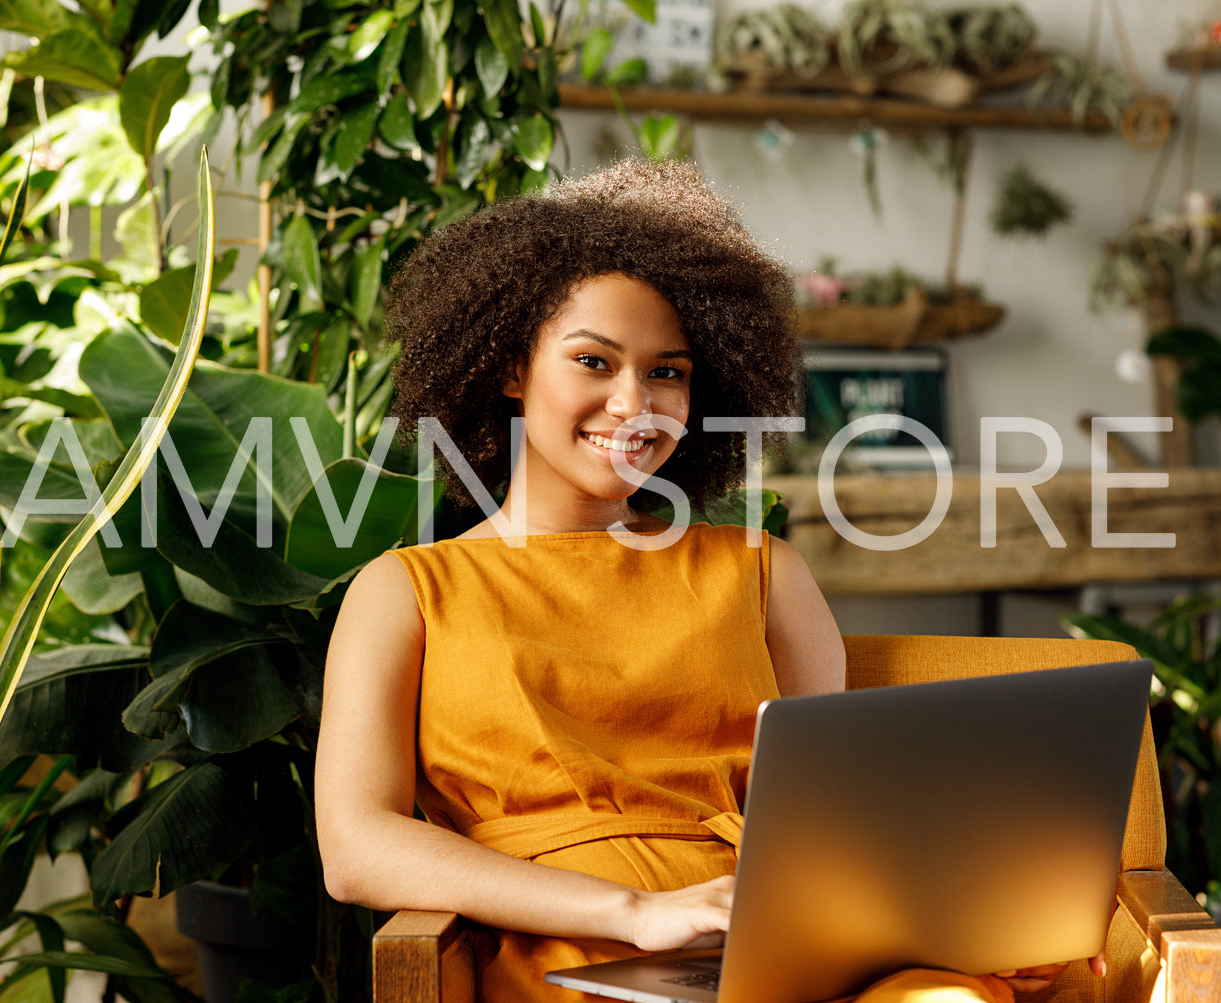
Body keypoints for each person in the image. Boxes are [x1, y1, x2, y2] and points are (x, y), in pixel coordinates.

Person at [313, 160, 1099, 1003]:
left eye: (668, 371)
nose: (634, 402)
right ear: (509, 367)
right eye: (593, 360)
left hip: (775, 948)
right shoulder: (406, 590)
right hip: (581, 957)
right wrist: (635, 912)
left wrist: (967, 923)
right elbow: (356, 848)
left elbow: (838, 828)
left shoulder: (762, 573)